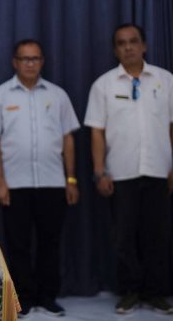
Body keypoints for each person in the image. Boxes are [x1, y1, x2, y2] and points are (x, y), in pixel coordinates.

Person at [0, 39, 79, 317]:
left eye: (35, 58)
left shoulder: (58, 95)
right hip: (15, 184)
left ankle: (48, 297)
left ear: (42, 61)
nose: (30, 64)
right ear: (15, 62)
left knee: (50, 243)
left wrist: (71, 179)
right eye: (25, 59)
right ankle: (23, 297)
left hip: (53, 182)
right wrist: (0, 182)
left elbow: (68, 138)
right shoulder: (0, 95)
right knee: (18, 245)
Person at [84, 23, 173, 315]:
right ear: (115, 50)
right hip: (120, 173)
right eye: (121, 43)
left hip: (158, 170)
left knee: (157, 235)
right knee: (123, 237)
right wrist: (100, 171)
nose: (128, 47)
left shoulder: (165, 80)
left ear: (144, 45)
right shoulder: (104, 85)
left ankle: (156, 293)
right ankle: (131, 291)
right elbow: (97, 132)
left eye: (133, 41)